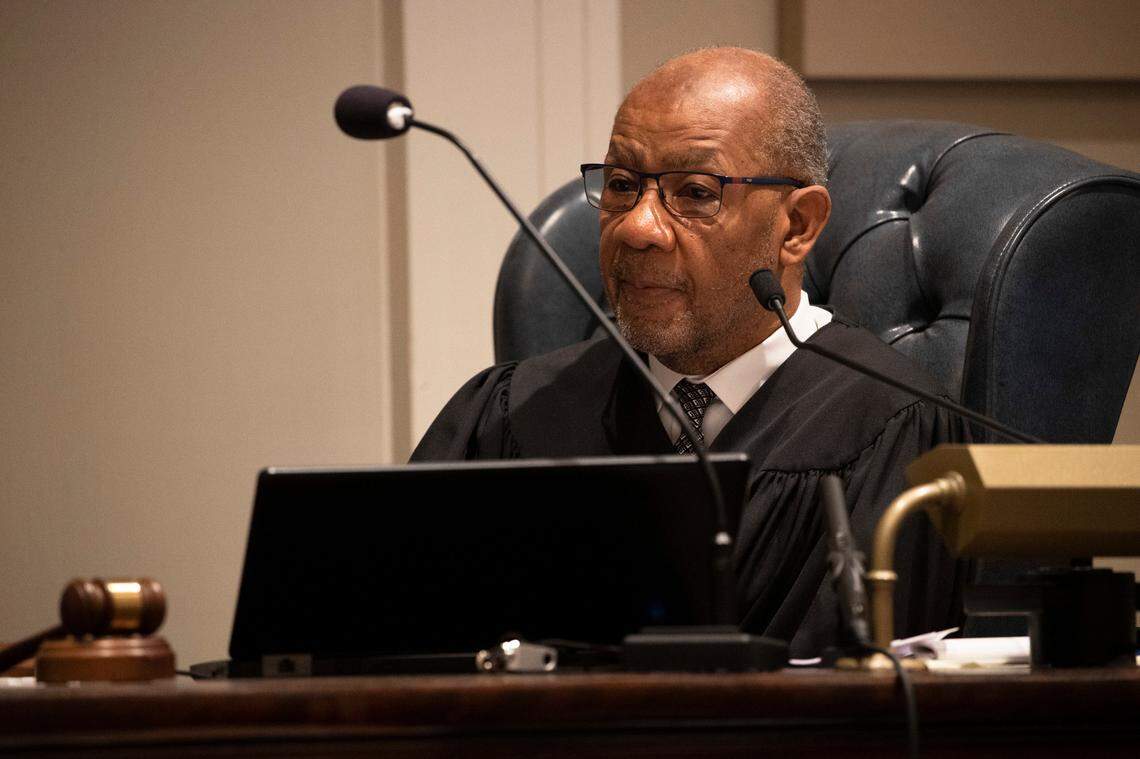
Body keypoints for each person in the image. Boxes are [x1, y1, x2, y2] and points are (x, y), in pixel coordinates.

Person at [411, 48, 965, 656]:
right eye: (622, 185)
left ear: (798, 226)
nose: (637, 227)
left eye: (696, 192)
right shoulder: (512, 413)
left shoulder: (891, 426)